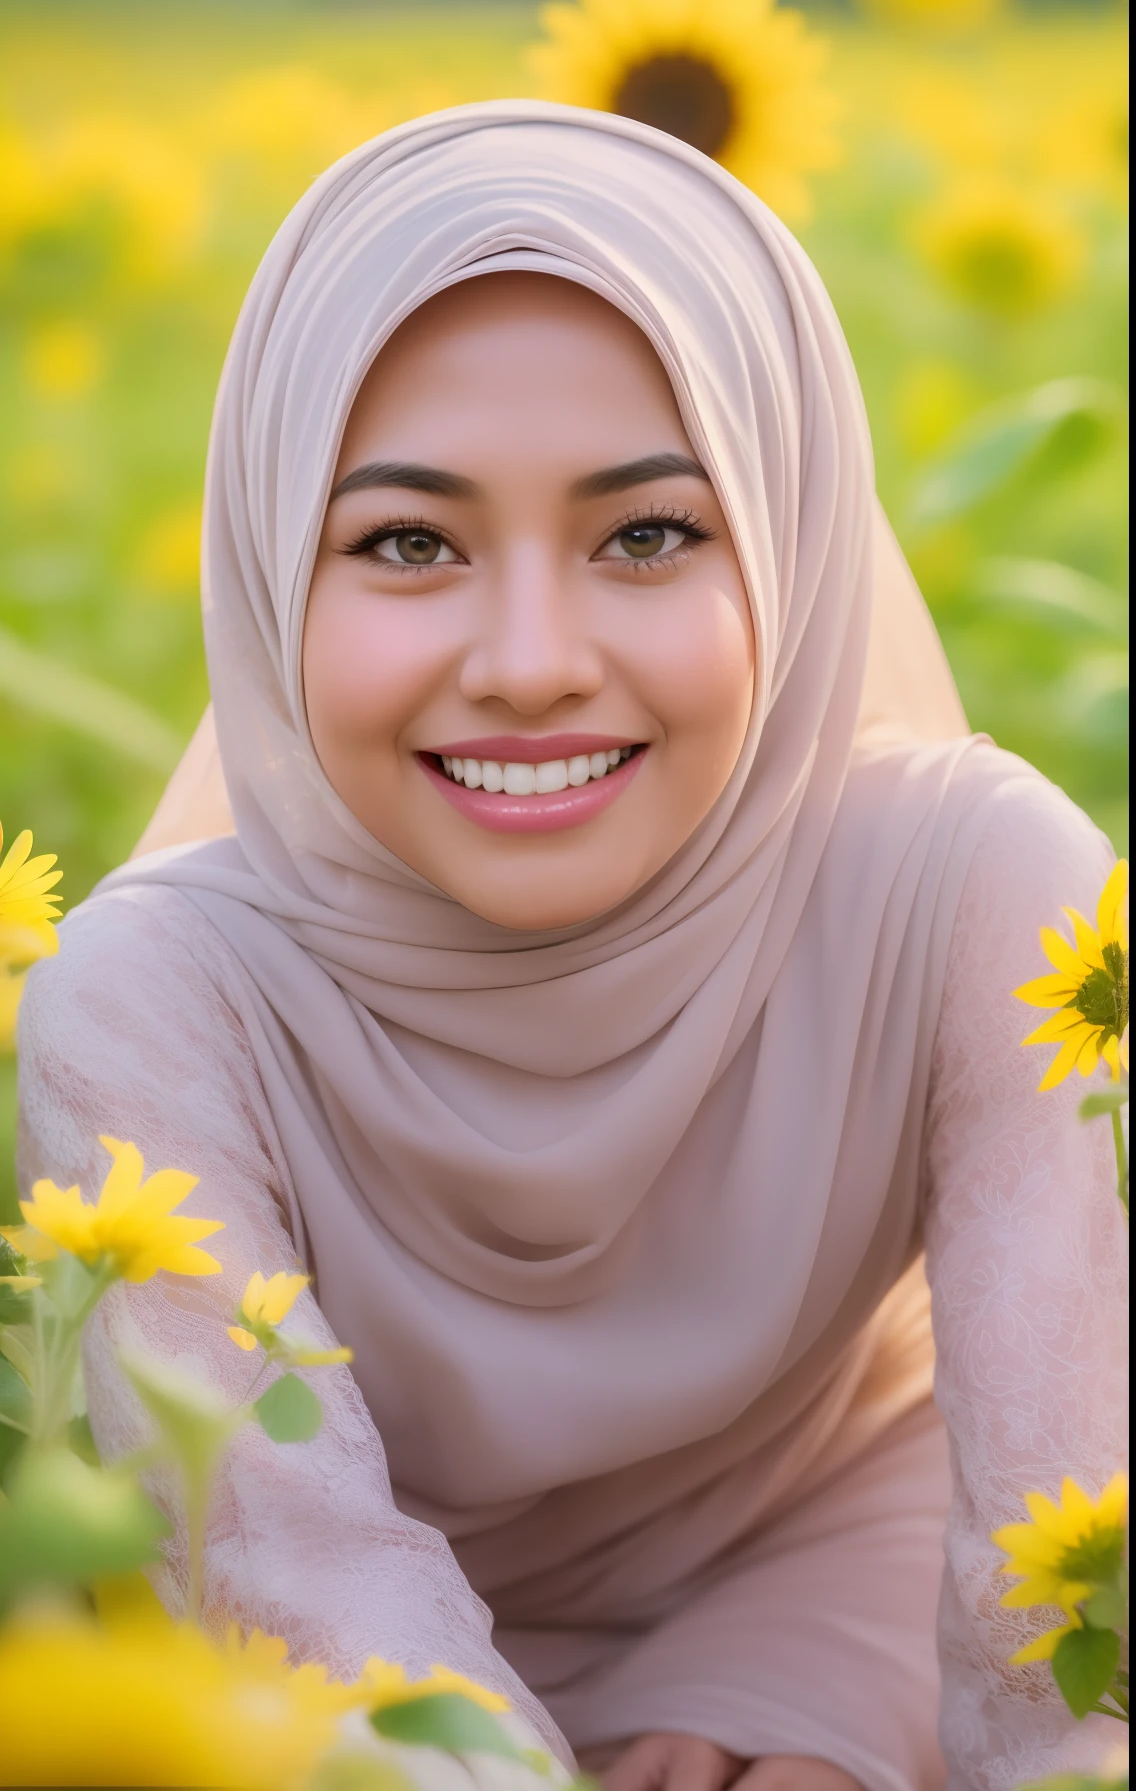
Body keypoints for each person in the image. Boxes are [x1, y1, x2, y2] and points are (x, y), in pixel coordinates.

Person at [17, 105, 1125, 1791]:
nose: (531, 662)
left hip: (843, 1591)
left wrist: (844, 1710)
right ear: (266, 568)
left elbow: (1073, 1525)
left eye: (650, 534)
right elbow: (277, 1567)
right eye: (407, 543)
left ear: (793, 539)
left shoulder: (976, 892)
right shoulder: (157, 1001)